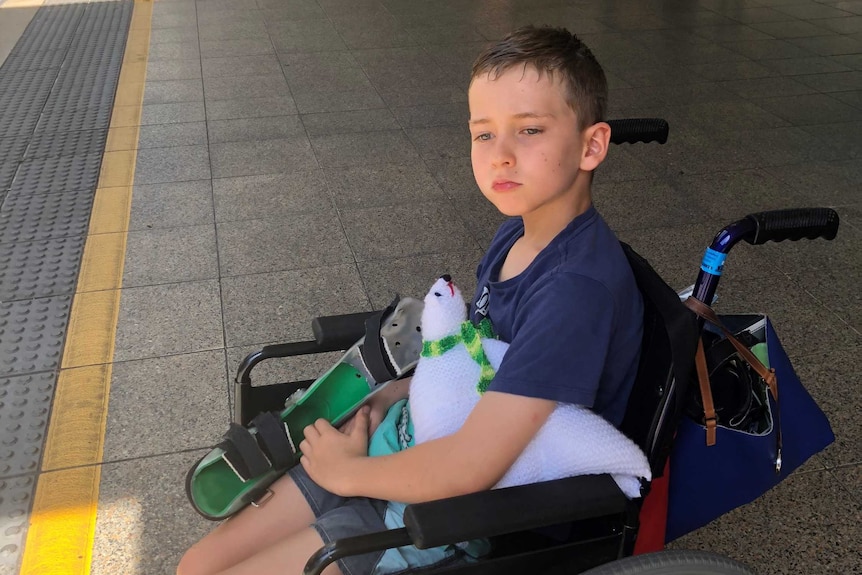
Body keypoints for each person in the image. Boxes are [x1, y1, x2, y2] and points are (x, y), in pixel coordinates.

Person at [177, 24, 643, 575]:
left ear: (591, 145)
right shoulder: (518, 232)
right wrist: (391, 392)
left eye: (530, 130)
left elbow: (472, 467)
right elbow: (472, 360)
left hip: (453, 515)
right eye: (484, 134)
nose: (501, 157)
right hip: (399, 446)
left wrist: (345, 474)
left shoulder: (574, 293)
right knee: (197, 567)